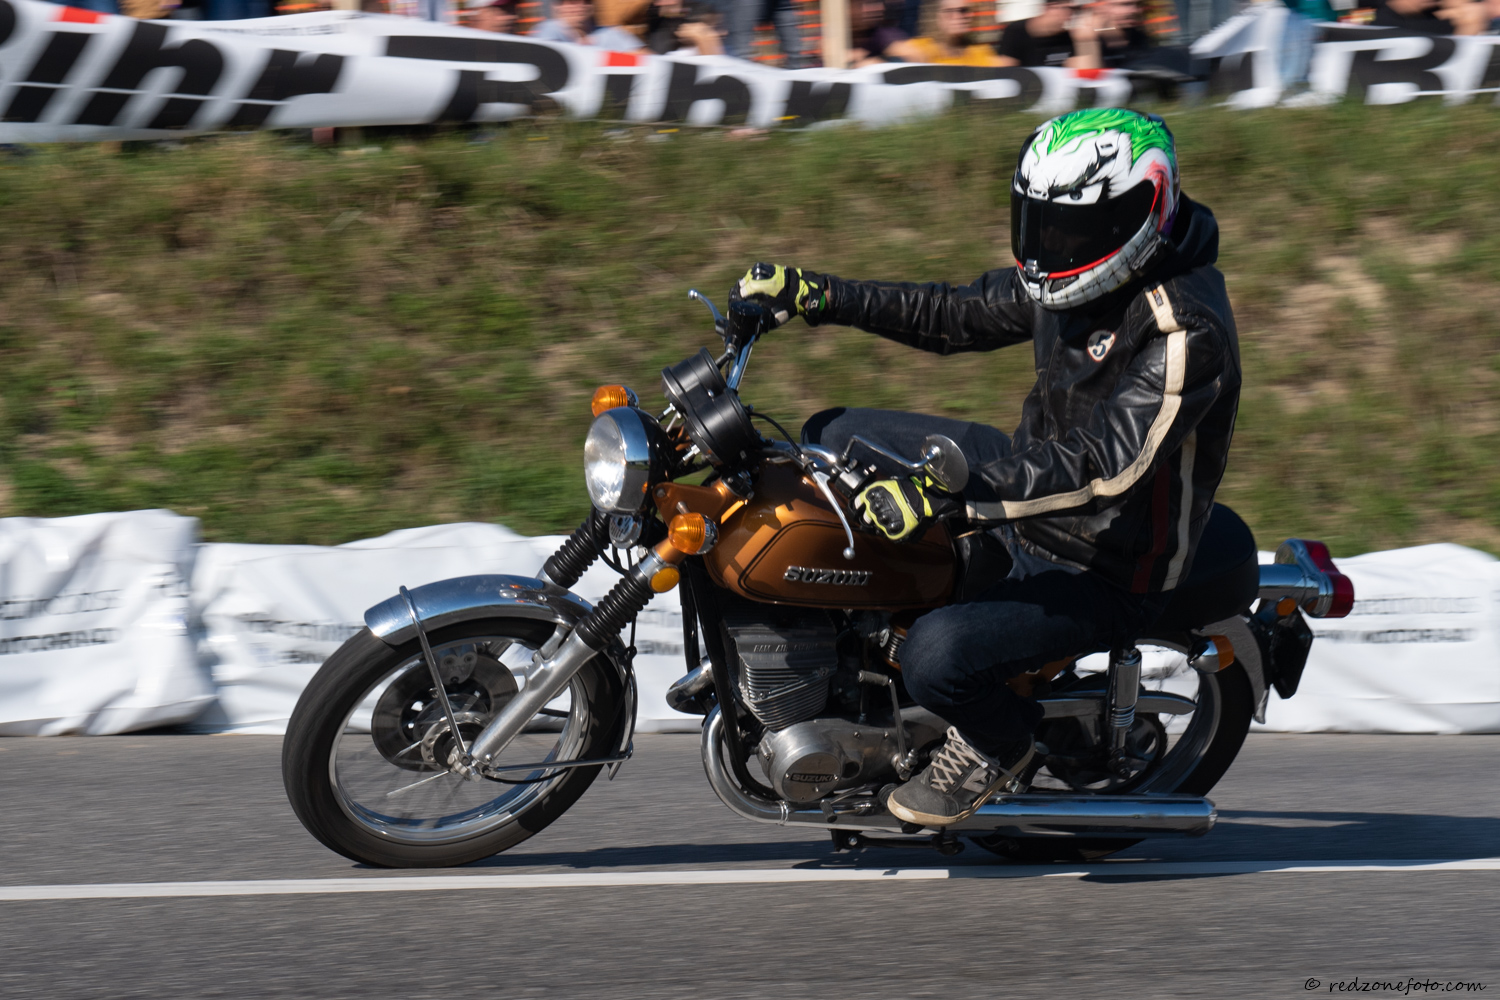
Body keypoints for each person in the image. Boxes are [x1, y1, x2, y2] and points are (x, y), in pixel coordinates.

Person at [727, 109, 1239, 827]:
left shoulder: (1185, 329)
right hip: (1028, 479)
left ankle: (1001, 745)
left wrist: (953, 495)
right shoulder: (1074, 273)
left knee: (934, 658)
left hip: (1108, 558)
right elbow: (957, 314)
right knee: (833, 436)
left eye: (1073, 230)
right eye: (1041, 224)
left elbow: (1105, 467)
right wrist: (823, 295)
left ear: (1142, 212)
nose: (1051, 248)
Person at [886, 0, 1006, 65]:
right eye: (949, 11)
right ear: (935, 16)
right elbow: (892, 50)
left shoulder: (981, 52)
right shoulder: (921, 48)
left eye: (964, 10)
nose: (958, 16)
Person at [996, 0, 1097, 68]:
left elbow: (1084, 76)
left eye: (1072, 9)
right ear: (1047, 8)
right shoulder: (1016, 31)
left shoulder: (1070, 36)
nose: (1069, 14)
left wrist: (1085, 41)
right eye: (1063, 8)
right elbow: (1006, 70)